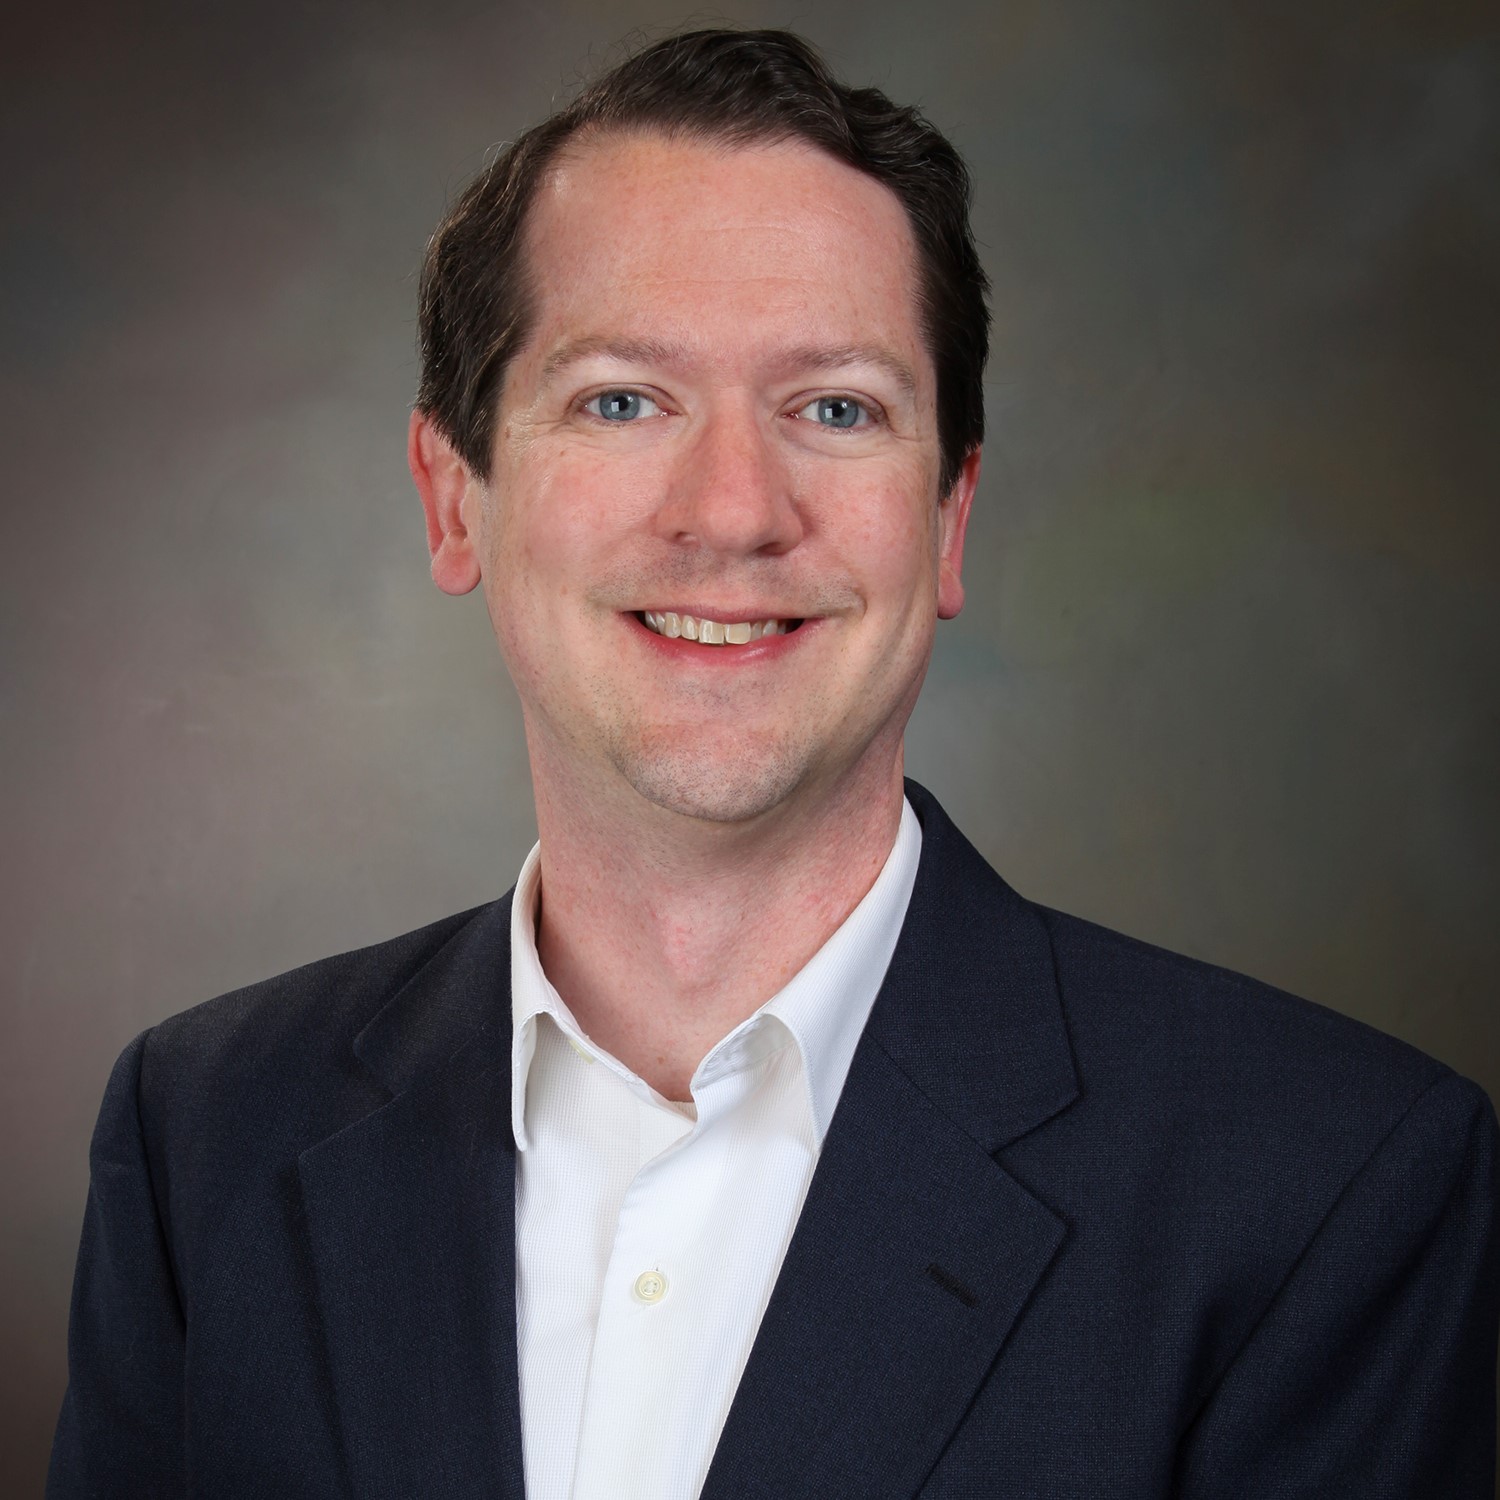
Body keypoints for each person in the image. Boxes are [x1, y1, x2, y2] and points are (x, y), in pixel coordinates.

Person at [49, 27, 1498, 1500]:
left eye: (836, 408)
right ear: (454, 500)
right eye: (622, 400)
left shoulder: (1328, 1185)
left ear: (948, 521)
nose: (736, 510)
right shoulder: (204, 1135)